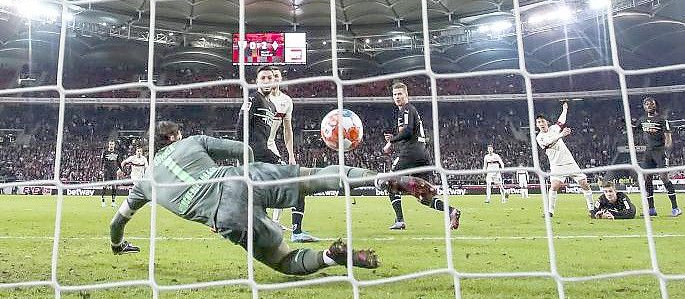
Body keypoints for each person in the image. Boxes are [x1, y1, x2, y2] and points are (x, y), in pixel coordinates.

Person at [109, 121, 441, 275]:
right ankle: (386, 179)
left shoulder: (143, 182)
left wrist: (117, 245)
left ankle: (331, 256)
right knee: (314, 176)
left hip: (223, 215)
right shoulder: (193, 140)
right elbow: (246, 150)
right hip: (240, 177)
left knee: (283, 261)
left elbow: (117, 221)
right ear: (173, 137)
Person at [236, 65, 317, 243]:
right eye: (263, 78)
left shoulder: (273, 105)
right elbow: (240, 129)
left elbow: (282, 132)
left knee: (264, 192)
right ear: (256, 81)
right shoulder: (253, 99)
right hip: (255, 153)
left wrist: (289, 155)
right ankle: (290, 231)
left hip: (266, 150)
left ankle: (281, 228)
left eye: (270, 77)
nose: (268, 81)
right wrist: (244, 154)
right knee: (294, 182)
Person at [382, 82, 461, 230]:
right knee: (423, 196)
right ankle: (452, 211)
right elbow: (408, 132)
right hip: (422, 154)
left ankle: (399, 220)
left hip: (410, 152)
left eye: (400, 94)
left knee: (389, 183)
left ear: (406, 95)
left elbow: (407, 132)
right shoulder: (411, 111)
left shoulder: (406, 109)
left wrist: (391, 141)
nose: (397, 97)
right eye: (395, 94)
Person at [535, 102, 594, 217]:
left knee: (584, 184)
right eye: (538, 122)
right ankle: (550, 212)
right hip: (557, 165)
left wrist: (565, 109)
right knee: (554, 186)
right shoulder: (540, 137)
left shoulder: (554, 129)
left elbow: (561, 121)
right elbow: (548, 142)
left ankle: (592, 209)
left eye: (542, 121)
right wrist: (561, 135)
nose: (541, 124)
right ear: (537, 125)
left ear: (546, 122)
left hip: (570, 162)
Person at [637, 97, 681, 217]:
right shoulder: (642, 119)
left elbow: (668, 137)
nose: (649, 106)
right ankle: (651, 209)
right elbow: (635, 129)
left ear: (656, 105)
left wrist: (666, 152)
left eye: (651, 104)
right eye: (646, 104)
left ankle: (675, 208)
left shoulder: (662, 120)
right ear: (644, 106)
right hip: (648, 152)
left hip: (659, 151)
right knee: (647, 179)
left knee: (664, 178)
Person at [100, 140, 121, 208]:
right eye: (110, 144)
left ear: (114, 145)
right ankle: (103, 201)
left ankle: (113, 202)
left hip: (114, 171)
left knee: (114, 186)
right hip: (107, 171)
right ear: (108, 145)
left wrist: (121, 169)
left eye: (112, 144)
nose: (111, 145)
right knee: (105, 185)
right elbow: (102, 161)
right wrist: (100, 170)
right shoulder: (105, 152)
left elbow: (118, 161)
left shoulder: (117, 152)